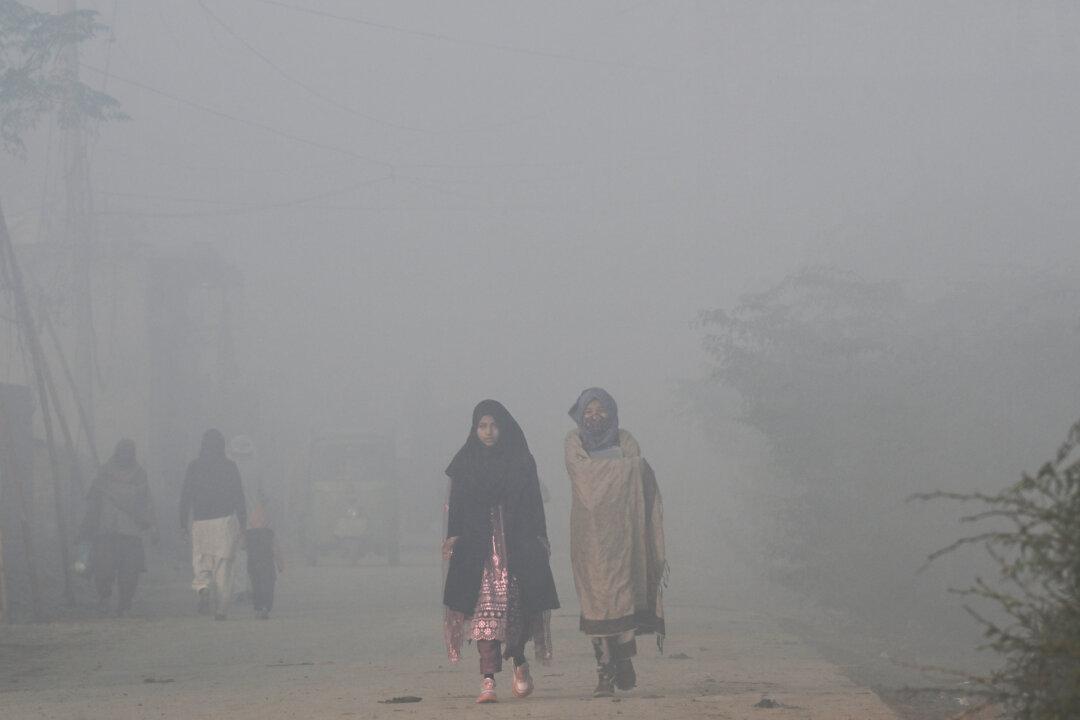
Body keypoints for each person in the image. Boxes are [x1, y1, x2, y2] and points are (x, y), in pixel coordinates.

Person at [443, 400, 559, 704]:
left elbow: (534, 502)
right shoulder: (465, 461)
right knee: (484, 612)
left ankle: (519, 662)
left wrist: (540, 536)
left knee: (516, 608)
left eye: (493, 425)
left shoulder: (521, 460)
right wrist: (453, 535)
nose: (488, 432)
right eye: (482, 426)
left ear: (504, 426)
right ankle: (488, 679)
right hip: (478, 550)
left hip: (516, 547)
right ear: (474, 428)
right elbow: (455, 502)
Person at [565, 388, 667, 697]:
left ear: (612, 412)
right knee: (595, 602)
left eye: (601, 410)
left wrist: (612, 468)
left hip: (624, 535)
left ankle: (622, 659)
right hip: (589, 539)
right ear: (580, 413)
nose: (595, 416)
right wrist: (620, 468)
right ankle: (605, 669)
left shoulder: (626, 439)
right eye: (589, 410)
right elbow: (585, 481)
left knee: (621, 599)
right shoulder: (573, 441)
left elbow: (635, 469)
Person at [79, 439, 158, 617]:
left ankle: (124, 603)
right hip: (107, 530)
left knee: (129, 572)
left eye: (128, 452)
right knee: (103, 569)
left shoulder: (135, 475)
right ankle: (106, 598)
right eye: (123, 452)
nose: (125, 456)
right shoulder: (105, 474)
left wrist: (152, 525)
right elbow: (93, 501)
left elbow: (146, 503)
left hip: (127, 532)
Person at [180, 428, 247, 620]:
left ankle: (203, 587)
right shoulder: (230, 467)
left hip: (201, 522)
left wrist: (182, 522)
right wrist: (243, 522)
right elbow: (238, 496)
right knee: (224, 565)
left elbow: (185, 496)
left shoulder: (194, 467)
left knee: (202, 561)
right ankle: (221, 610)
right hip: (225, 521)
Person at [246, 492, 284, 619]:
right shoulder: (269, 534)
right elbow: (275, 548)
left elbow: (241, 546)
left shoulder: (249, 535)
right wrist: (280, 563)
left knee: (256, 585)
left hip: (253, 564)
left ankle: (258, 607)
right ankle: (265, 608)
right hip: (267, 564)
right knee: (268, 585)